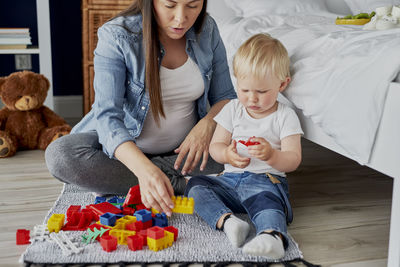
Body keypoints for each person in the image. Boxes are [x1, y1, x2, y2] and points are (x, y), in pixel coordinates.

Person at [45, 0, 236, 217]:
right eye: (170, 5)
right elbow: (108, 117)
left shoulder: (207, 29)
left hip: (183, 153)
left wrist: (207, 124)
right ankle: (178, 183)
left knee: (244, 146)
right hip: (126, 154)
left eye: (192, 6)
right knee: (60, 156)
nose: (181, 18)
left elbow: (226, 97)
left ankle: (144, 182)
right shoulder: (117, 35)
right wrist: (144, 170)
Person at [185, 33, 303, 259]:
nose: (252, 99)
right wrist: (227, 155)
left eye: (261, 92)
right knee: (196, 186)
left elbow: (293, 158)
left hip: (265, 181)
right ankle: (228, 221)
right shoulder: (232, 108)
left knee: (268, 203)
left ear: (282, 84)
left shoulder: (284, 116)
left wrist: (271, 155)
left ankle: (272, 236)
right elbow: (216, 147)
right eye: (245, 90)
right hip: (229, 180)